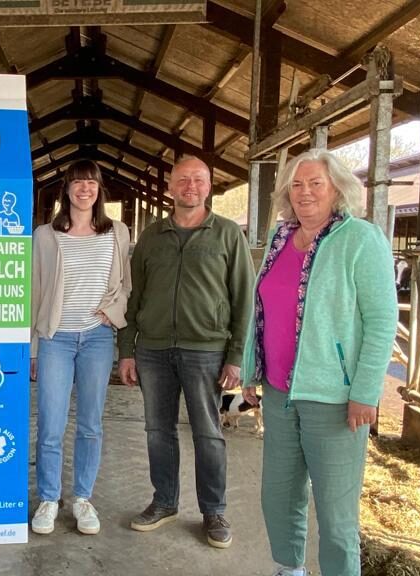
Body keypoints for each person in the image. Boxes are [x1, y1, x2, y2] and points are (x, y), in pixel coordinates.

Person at [240, 149, 398, 576]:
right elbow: (261, 308)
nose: (305, 192)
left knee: (335, 511)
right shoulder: (280, 239)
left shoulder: (360, 239)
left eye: (316, 184)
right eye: (297, 184)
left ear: (338, 190)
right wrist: (251, 367)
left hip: (334, 398)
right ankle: (290, 570)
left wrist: (366, 392)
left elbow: (383, 320)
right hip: (279, 391)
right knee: (278, 494)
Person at [117, 155, 253, 548]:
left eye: (198, 179)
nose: (190, 186)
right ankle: (164, 502)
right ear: (170, 188)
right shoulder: (151, 237)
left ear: (209, 187)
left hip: (206, 351)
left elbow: (244, 298)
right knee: (158, 432)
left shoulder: (228, 234)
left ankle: (214, 511)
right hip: (154, 350)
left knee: (208, 433)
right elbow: (134, 296)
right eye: (182, 180)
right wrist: (127, 350)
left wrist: (236, 355)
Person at [29, 159, 132, 536]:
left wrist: (112, 312)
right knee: (51, 424)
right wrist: (34, 347)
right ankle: (49, 499)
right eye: (77, 182)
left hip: (97, 338)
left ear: (99, 189)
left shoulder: (117, 232)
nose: (84, 188)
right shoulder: (45, 235)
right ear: (66, 190)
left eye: (91, 182)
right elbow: (35, 290)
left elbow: (125, 285)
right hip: (55, 337)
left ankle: (83, 499)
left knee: (90, 424)